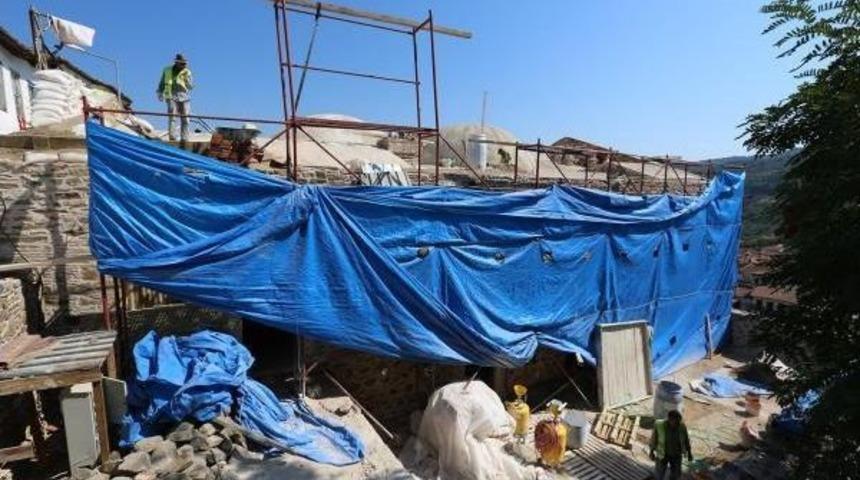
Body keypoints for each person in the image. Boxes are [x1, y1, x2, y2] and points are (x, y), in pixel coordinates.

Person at [157, 54, 194, 143]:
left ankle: (184, 138)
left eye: (185, 64)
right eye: (182, 64)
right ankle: (173, 137)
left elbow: (191, 87)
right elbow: (162, 82)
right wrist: (160, 92)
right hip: (171, 95)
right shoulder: (167, 70)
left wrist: (186, 79)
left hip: (184, 95)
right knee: (172, 117)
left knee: (186, 118)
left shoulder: (187, 72)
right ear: (177, 63)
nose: (184, 66)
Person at [650, 410, 693, 480]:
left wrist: (689, 453)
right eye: (676, 422)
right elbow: (653, 439)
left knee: (675, 475)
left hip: (676, 455)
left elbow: (686, 440)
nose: (678, 424)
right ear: (670, 419)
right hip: (662, 454)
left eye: (679, 421)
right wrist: (651, 452)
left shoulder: (682, 426)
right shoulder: (659, 424)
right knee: (659, 474)